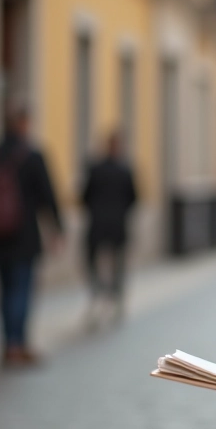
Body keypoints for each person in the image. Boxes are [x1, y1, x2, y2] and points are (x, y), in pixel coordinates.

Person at [0, 108, 63, 367]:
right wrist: (57, 229)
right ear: (23, 125)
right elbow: (48, 195)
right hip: (24, 236)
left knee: (4, 289)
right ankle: (17, 344)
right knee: (21, 289)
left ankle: (7, 342)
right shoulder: (32, 156)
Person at [81, 131, 138, 324]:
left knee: (99, 263)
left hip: (98, 223)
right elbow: (133, 197)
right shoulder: (124, 170)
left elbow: (85, 196)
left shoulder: (96, 169)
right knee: (115, 264)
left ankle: (101, 295)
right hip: (116, 224)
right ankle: (112, 296)